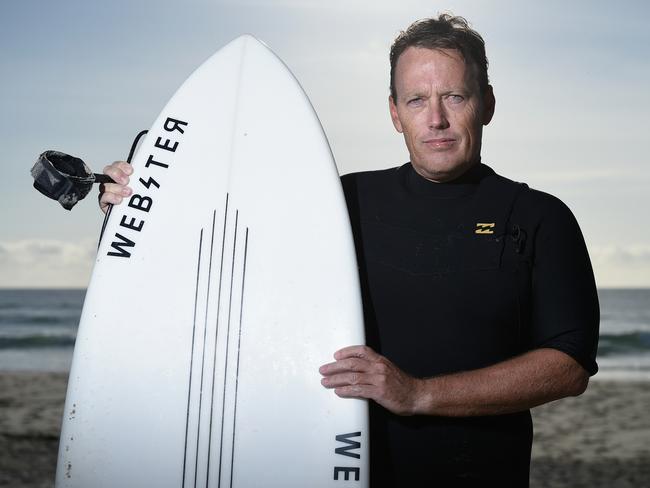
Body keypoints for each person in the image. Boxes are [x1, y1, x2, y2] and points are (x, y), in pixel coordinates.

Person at [100, 14, 599, 487]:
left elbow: (568, 366)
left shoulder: (539, 217)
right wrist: (139, 200)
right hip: (331, 469)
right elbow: (227, 242)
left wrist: (419, 395)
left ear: (487, 103)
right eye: (417, 100)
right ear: (394, 113)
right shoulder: (342, 201)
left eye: (454, 96)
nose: (437, 119)